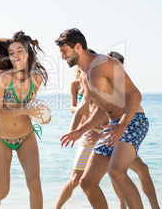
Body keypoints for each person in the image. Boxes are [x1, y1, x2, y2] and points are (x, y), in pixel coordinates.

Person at [56, 28, 149, 209]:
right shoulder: (84, 76)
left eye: (64, 51)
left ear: (77, 47)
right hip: (113, 125)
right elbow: (97, 109)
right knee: (86, 182)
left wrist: (122, 125)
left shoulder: (106, 64)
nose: (62, 57)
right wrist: (78, 131)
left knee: (116, 172)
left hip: (133, 121)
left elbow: (135, 95)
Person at [0, 31, 50, 209]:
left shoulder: (37, 79)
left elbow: (35, 109)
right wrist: (26, 109)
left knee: (35, 184)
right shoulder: (3, 78)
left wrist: (44, 117)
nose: (15, 55)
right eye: (12, 52)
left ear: (27, 53)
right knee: (3, 192)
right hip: (1, 140)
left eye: (19, 50)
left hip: (26, 136)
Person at [107, 51, 160, 209]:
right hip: (110, 132)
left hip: (127, 129)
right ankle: (123, 205)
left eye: (120, 63)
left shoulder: (121, 81)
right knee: (115, 171)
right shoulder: (104, 83)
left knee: (141, 169)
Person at [55, 50, 107, 209]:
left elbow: (108, 110)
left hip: (105, 134)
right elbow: (74, 108)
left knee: (115, 174)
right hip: (86, 134)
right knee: (76, 178)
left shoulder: (100, 81)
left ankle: (122, 205)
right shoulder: (76, 84)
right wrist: (80, 114)